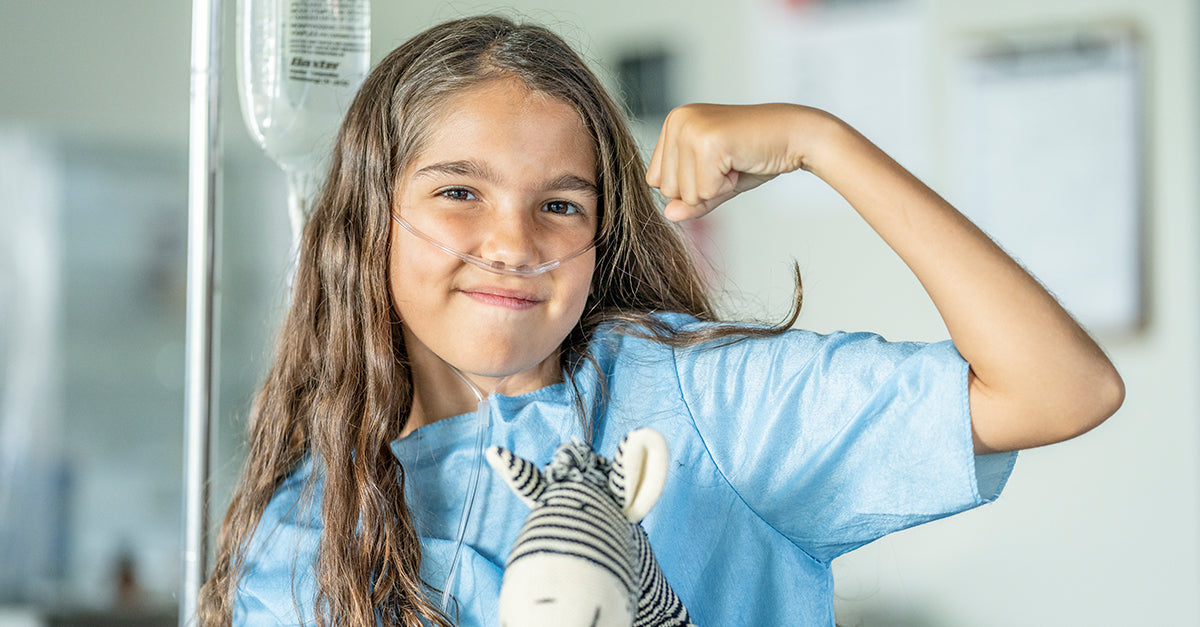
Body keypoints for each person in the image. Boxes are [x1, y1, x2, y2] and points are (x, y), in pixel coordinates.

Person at [197, 14, 1124, 627]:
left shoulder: (700, 404)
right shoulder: (308, 530)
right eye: (458, 192)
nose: (512, 242)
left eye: (560, 205)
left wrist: (821, 141)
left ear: (602, 234)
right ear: (371, 214)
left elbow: (1062, 387)